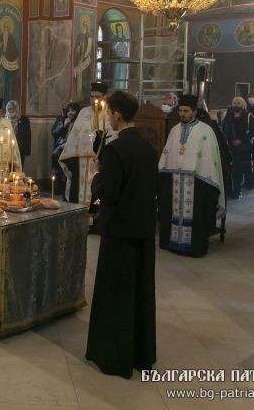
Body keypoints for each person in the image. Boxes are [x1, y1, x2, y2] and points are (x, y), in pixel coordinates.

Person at [85, 90, 157, 379]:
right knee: (139, 292)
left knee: (116, 294)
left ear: (116, 114)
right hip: (143, 229)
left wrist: (96, 176)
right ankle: (140, 355)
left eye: (109, 113)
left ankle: (114, 357)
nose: (108, 117)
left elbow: (110, 193)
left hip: (119, 232)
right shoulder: (148, 147)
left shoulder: (115, 150)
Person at [158, 94, 225, 257]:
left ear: (194, 111)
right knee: (172, 210)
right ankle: (172, 243)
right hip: (174, 180)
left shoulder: (206, 131)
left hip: (197, 182)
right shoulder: (174, 130)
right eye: (180, 111)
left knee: (196, 214)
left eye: (186, 111)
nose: (182, 114)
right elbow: (167, 154)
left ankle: (193, 247)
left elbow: (211, 159)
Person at [59, 82, 114, 205]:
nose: (94, 100)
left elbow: (111, 137)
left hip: (100, 162)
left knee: (96, 199)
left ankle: (94, 221)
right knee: (77, 197)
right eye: (92, 96)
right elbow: (74, 136)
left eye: (97, 97)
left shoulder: (110, 113)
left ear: (105, 97)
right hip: (81, 163)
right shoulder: (83, 112)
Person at [221, 97, 254, 200]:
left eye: (238, 103)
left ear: (243, 105)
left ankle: (241, 189)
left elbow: (253, 131)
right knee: (234, 170)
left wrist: (241, 140)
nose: (236, 105)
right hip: (231, 147)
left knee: (241, 170)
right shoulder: (229, 115)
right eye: (234, 103)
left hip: (244, 148)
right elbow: (224, 128)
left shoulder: (249, 116)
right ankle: (235, 190)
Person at [52, 101, 79, 199]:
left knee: (68, 176)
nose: (70, 113)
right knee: (60, 175)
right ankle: (62, 194)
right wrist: (63, 125)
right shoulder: (61, 120)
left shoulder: (79, 123)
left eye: (73, 111)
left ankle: (68, 196)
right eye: (69, 111)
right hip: (59, 151)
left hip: (71, 153)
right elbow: (54, 133)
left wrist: (68, 144)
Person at [6, 100, 31, 168]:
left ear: (17, 109)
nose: (11, 110)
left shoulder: (24, 120)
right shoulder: (4, 120)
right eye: (9, 109)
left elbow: (28, 136)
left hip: (21, 150)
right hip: (7, 150)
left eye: (13, 108)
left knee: (18, 169)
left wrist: (27, 151)